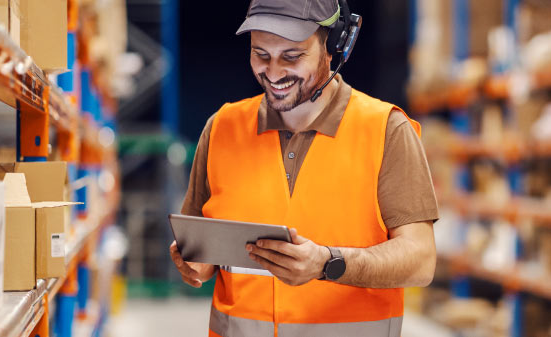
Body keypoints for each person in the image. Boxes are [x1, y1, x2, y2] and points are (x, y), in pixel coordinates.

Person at [169, 0, 440, 336]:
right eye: (261, 54)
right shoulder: (222, 129)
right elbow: (201, 250)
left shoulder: (385, 131)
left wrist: (328, 263)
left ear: (333, 46)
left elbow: (420, 260)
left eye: (292, 56)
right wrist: (194, 263)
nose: (273, 72)